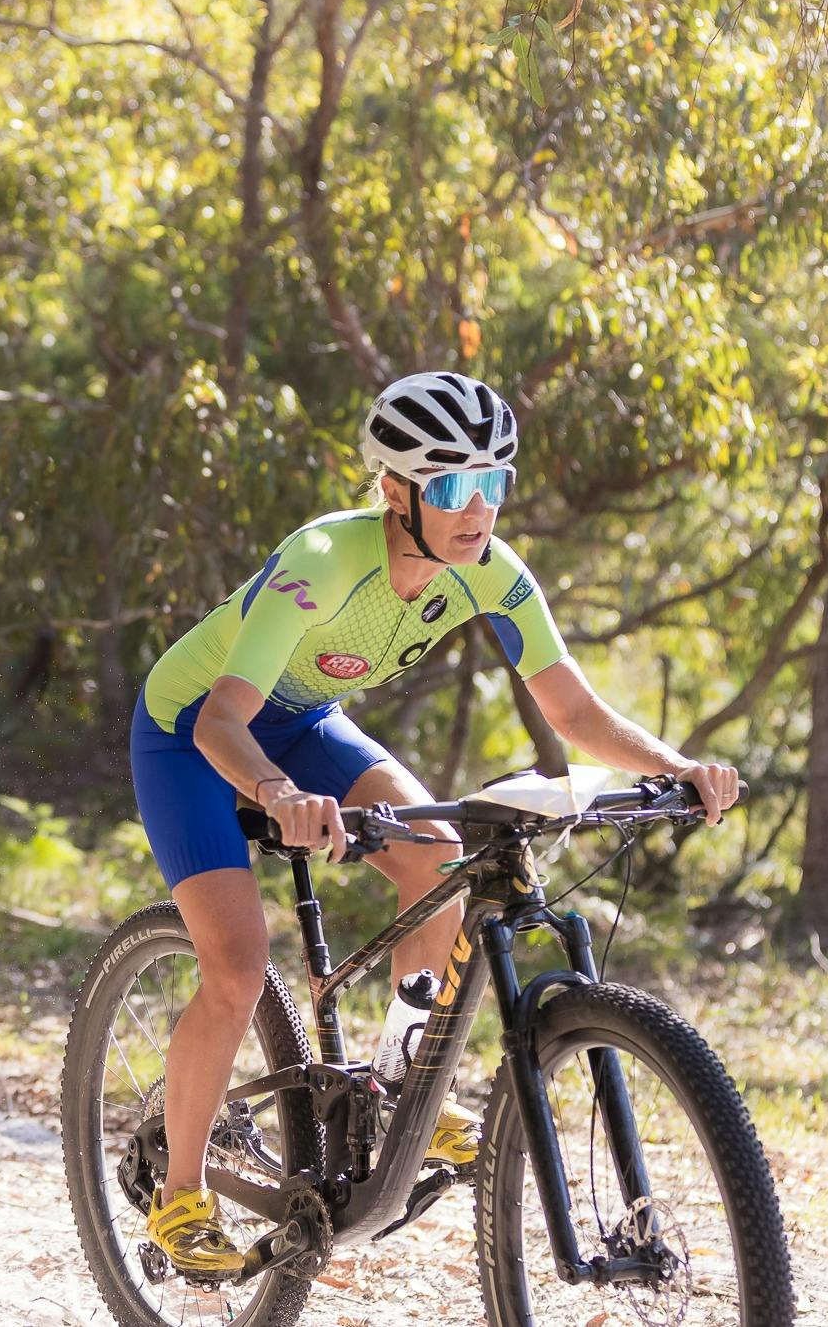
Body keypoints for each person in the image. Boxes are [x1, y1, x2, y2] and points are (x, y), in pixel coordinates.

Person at [127, 371, 742, 1274]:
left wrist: (676, 766)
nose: (479, 507)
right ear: (395, 490)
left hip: (299, 723)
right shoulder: (325, 562)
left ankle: (397, 1082)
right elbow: (222, 720)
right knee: (237, 965)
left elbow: (571, 711)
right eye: (453, 485)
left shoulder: (490, 568)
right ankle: (180, 1196)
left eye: (496, 482)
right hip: (190, 733)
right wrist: (277, 794)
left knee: (439, 852)